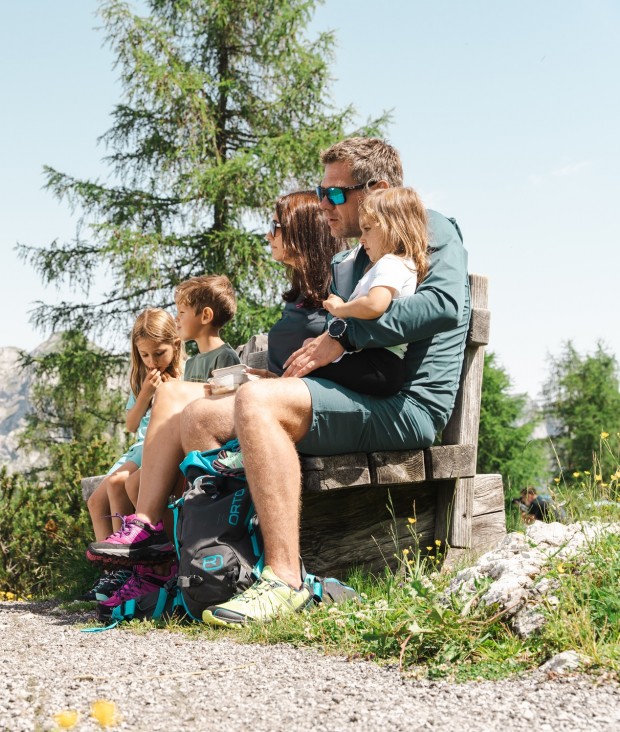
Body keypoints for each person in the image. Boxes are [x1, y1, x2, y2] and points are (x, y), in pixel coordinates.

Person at [91, 138, 470, 627]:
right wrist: (290, 365)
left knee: (257, 404)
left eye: (335, 194)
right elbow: (328, 342)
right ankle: (203, 575)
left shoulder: (428, 227)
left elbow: (443, 307)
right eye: (321, 191)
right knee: (199, 411)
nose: (324, 204)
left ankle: (285, 579)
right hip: (358, 391)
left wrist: (343, 334)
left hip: (404, 405)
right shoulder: (353, 260)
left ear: (377, 188)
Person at [85, 189, 343, 574]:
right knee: (173, 393)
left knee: (180, 401)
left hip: (302, 408)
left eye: (276, 227)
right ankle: (153, 534)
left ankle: (155, 534)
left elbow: (337, 356)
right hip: (277, 396)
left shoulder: (337, 286)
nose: (269, 235)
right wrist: (267, 376)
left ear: (302, 232)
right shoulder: (298, 295)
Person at [80, 307, 184, 602]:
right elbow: (130, 423)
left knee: (117, 484)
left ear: (175, 345)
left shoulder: (183, 376)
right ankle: (110, 575)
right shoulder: (142, 379)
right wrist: (144, 396)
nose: (152, 361)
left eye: (158, 353)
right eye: (145, 355)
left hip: (158, 445)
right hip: (138, 446)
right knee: (95, 500)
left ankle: (128, 568)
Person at [310, 187, 430, 397]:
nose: (361, 238)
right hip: (379, 365)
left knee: (309, 368)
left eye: (367, 229)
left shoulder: (391, 262)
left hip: (377, 364)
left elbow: (375, 305)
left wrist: (340, 308)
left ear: (393, 228)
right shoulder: (394, 264)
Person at [175, 275, 241, 383]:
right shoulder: (190, 363)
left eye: (181, 312)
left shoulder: (225, 357)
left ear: (206, 316)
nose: (176, 318)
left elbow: (226, 398)